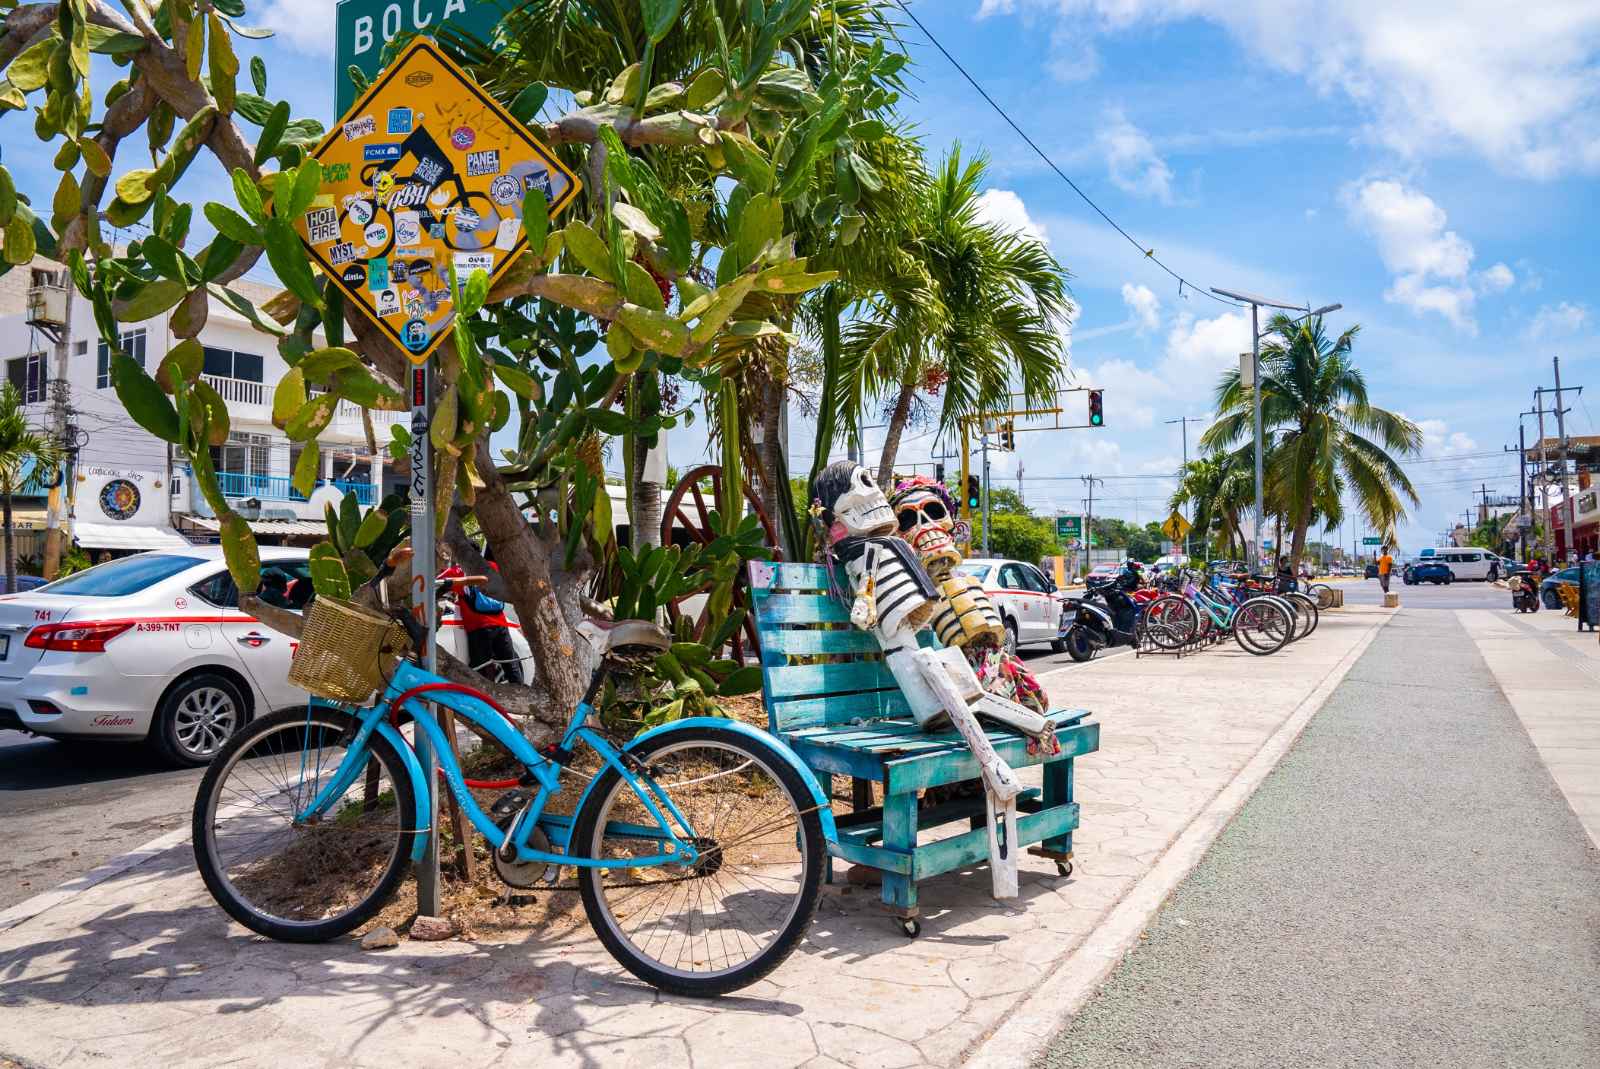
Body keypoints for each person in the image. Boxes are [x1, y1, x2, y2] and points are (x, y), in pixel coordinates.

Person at [439, 548, 524, 684]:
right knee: (511, 666)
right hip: (501, 625)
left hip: (478, 627)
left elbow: (437, 584)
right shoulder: (493, 567)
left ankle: (485, 702)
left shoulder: (458, 572)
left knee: (483, 671)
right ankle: (520, 699)